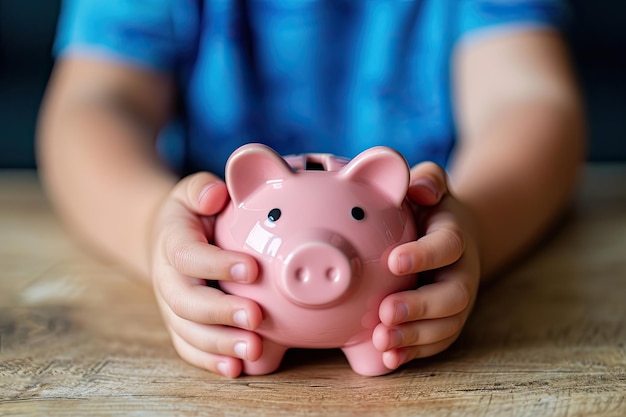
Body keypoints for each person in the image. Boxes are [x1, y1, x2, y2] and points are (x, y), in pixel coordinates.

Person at [37, 0, 584, 378]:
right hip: (228, 255)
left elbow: (528, 100)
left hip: (420, 234)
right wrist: (152, 227)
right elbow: (94, 106)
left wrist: (477, 230)